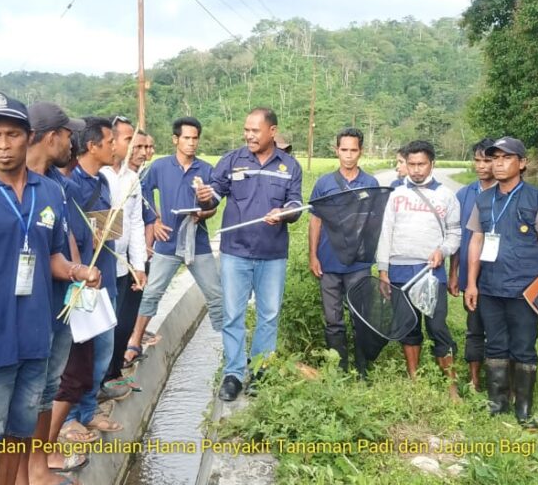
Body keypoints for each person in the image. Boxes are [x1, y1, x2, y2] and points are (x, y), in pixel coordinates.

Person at [0, 93, 92, 485]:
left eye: (12, 135)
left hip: (36, 334)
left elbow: (53, 255)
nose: (3, 144)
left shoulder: (50, 192)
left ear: (27, 137)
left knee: (19, 429)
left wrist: (76, 271)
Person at [196, 108, 303, 402]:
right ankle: (233, 375)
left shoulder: (290, 166)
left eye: (255, 130)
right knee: (233, 315)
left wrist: (284, 213)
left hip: (272, 255)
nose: (249, 135)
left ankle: (260, 371)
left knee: (269, 315)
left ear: (272, 132)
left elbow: (296, 204)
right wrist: (205, 198)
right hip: (235, 252)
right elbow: (214, 196)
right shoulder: (232, 160)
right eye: (247, 130)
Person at [20, 102, 90, 485]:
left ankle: (38, 462)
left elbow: (64, 240)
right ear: (50, 138)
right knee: (28, 392)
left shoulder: (56, 186)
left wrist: (78, 274)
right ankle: (24, 474)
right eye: (66, 134)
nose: (71, 142)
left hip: (60, 299)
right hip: (29, 307)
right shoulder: (12, 185)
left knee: (48, 386)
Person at [464, 137, 538, 425]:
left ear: (523, 163)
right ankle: (497, 403)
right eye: (495, 158)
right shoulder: (483, 199)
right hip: (491, 286)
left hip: (525, 289)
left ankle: (524, 408)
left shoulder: (537, 199)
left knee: (524, 347)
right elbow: (476, 241)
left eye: (506, 158)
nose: (499, 163)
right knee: (495, 345)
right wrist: (471, 282)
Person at [129, 117, 224, 360]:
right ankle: (134, 342)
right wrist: (154, 220)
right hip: (167, 242)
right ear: (175, 140)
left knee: (215, 296)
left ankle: (227, 349)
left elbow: (213, 204)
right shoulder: (160, 167)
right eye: (186, 138)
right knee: (152, 293)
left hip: (198, 244)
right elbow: (142, 191)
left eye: (195, 138)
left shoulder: (206, 170)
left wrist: (204, 210)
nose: (191, 143)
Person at [375, 140, 462, 399]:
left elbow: (455, 233)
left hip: (431, 272)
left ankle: (451, 386)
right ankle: (414, 380)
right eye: (411, 164)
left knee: (437, 328)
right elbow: (385, 232)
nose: (416, 170)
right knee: (408, 327)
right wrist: (382, 270)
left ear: (431, 164)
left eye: (421, 164)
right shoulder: (396, 194)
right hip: (399, 271)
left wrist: (442, 251)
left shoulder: (446, 195)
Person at [62, 118, 125, 431]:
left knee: (102, 351)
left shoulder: (104, 180)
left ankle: (88, 410)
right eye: (110, 141)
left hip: (106, 278)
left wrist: (105, 230)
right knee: (79, 355)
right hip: (80, 284)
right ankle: (70, 418)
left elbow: (113, 230)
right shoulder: (70, 184)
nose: (115, 147)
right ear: (91, 146)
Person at [308, 128, 380, 373]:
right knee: (333, 319)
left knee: (360, 318)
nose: (348, 155)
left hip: (359, 264)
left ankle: (362, 370)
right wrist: (313, 255)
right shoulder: (324, 184)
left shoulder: (370, 184)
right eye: (344, 150)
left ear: (361, 151)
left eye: (354, 150)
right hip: (329, 262)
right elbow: (315, 220)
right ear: (336, 150)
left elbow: (374, 224)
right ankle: (339, 370)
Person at [100, 116, 148, 390]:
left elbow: (136, 221)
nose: (134, 147)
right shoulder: (99, 176)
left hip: (123, 267)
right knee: (101, 330)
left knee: (120, 324)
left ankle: (112, 374)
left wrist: (138, 264)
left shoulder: (132, 178)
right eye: (128, 140)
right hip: (101, 266)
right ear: (111, 141)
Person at [448, 138, 496, 392]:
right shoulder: (464, 194)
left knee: (500, 331)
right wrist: (454, 272)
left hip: (500, 275)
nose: (481, 166)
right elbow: (457, 238)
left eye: (487, 160)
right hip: (471, 275)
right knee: (474, 327)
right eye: (477, 160)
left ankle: (502, 383)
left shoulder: (507, 192)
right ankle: (474, 379)